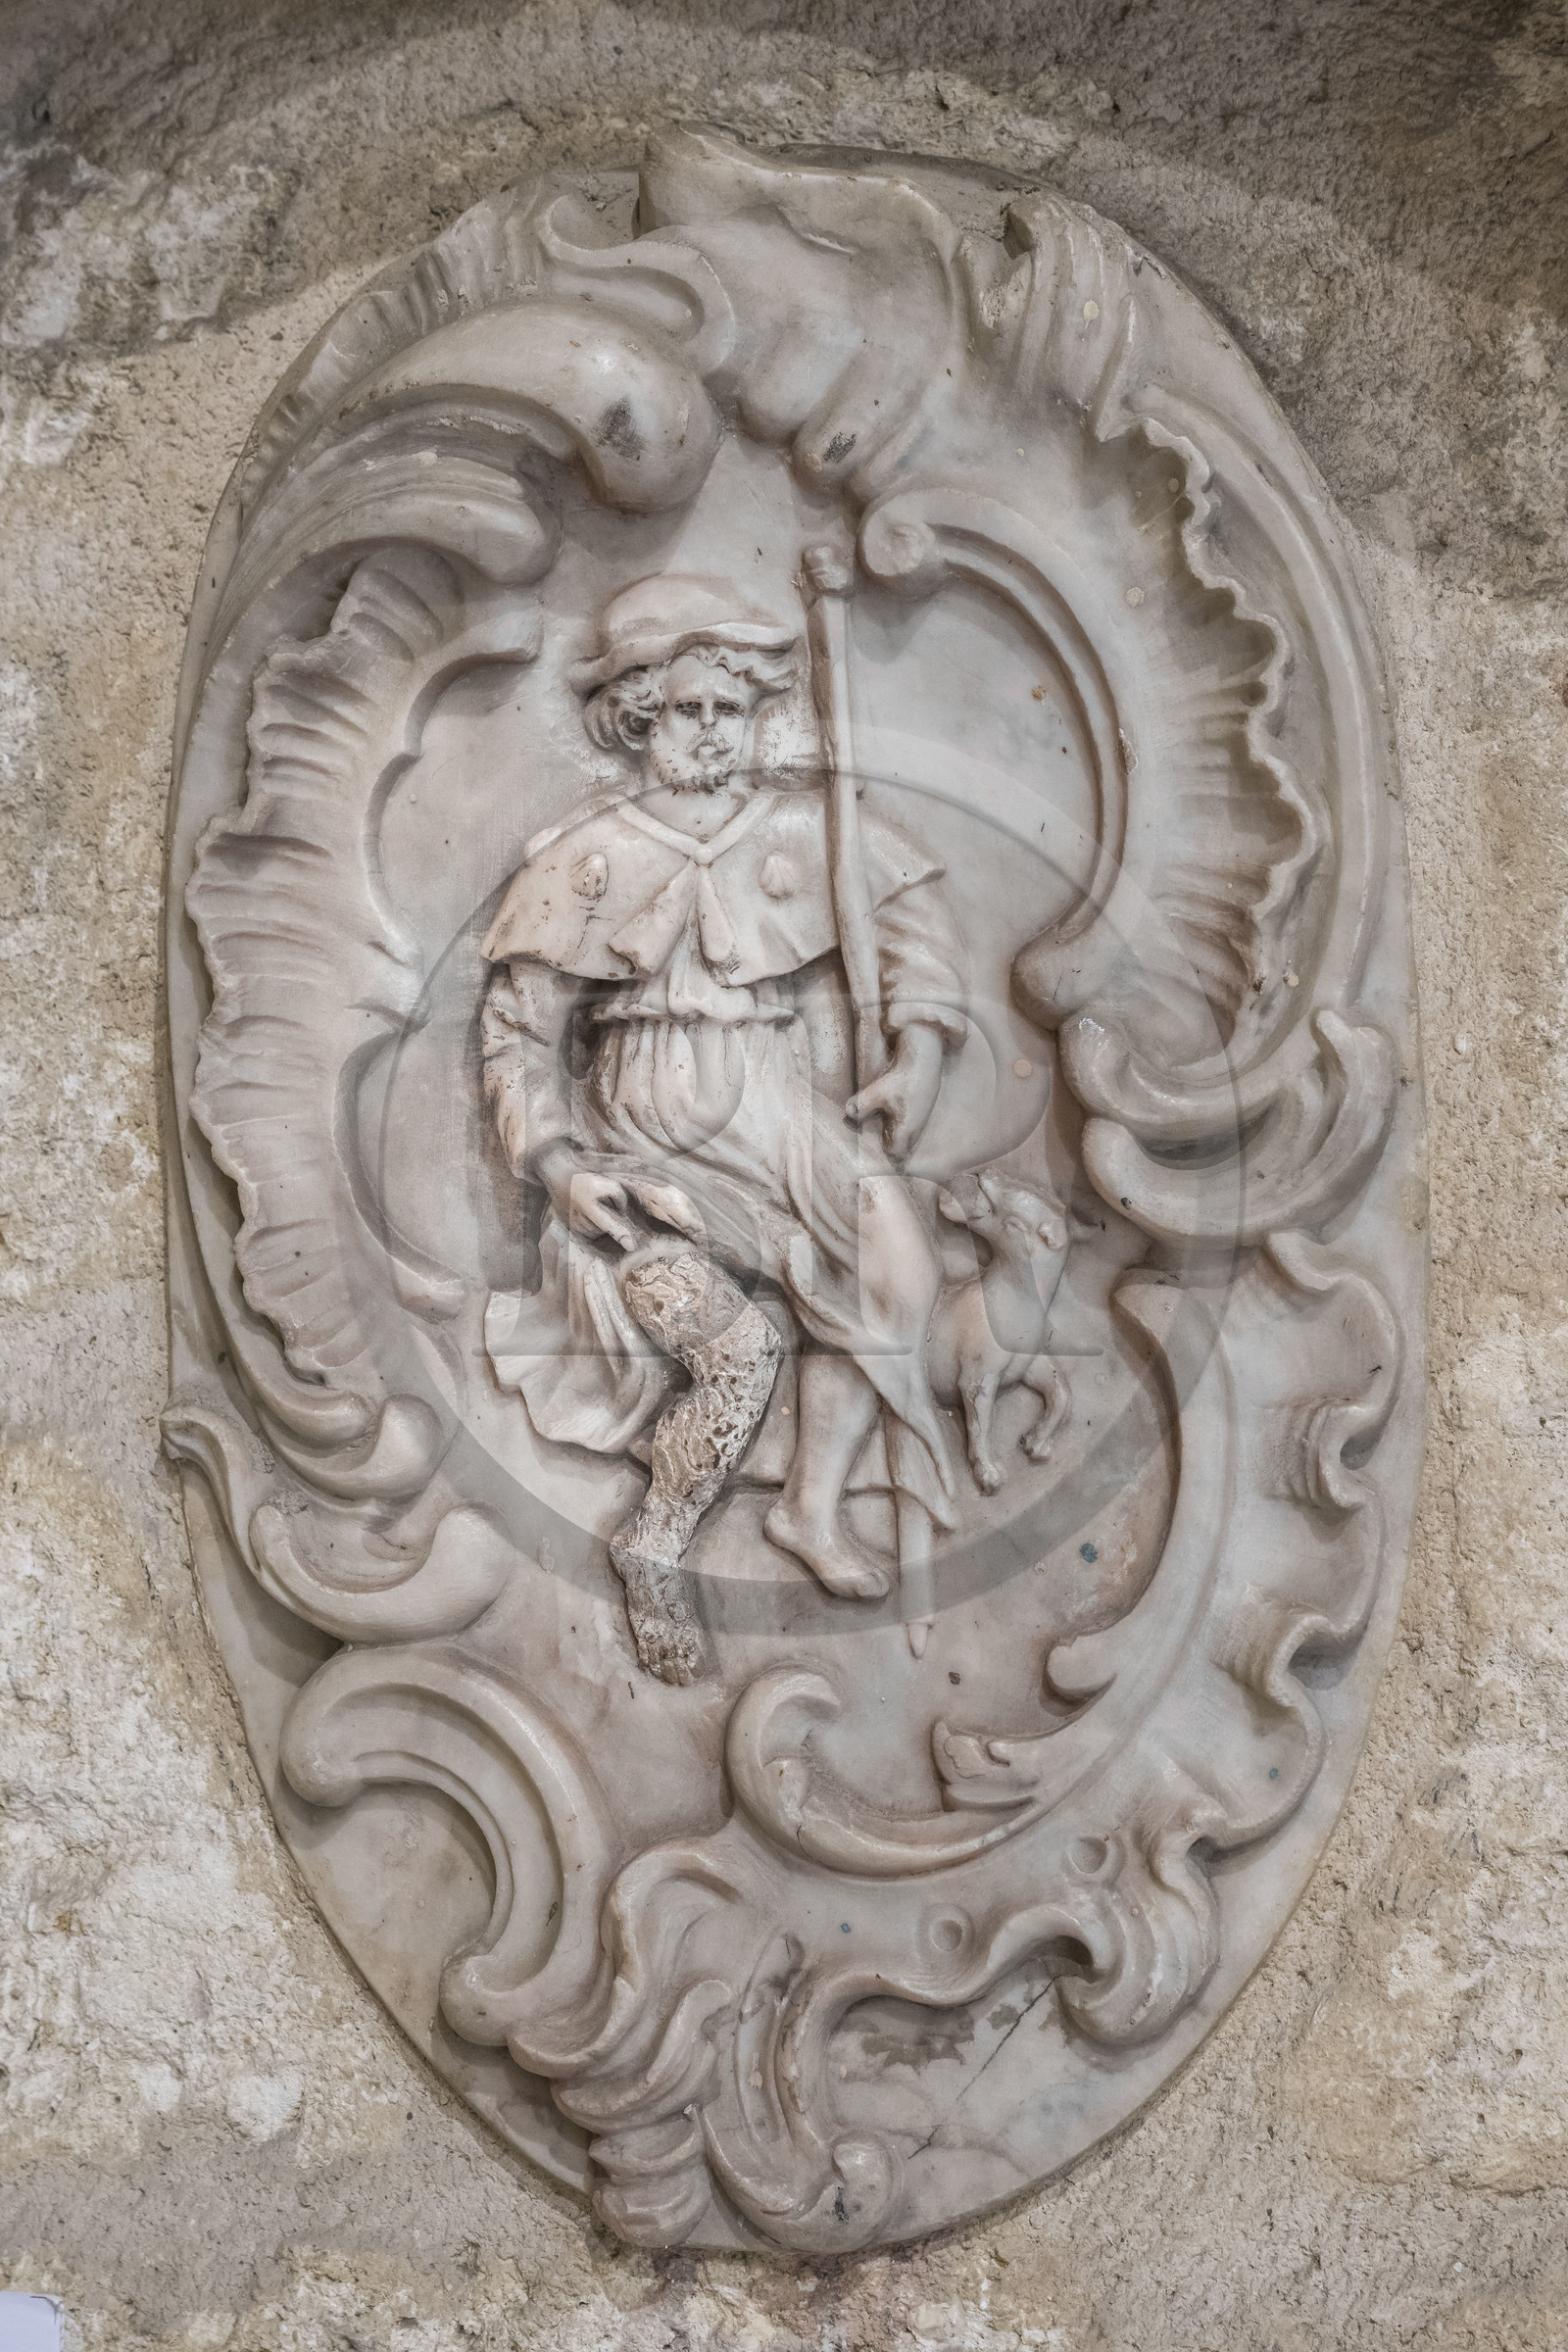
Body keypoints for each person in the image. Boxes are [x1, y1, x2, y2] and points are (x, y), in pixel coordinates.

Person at [479, 571, 967, 1681]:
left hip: (780, 1109)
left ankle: (810, 1506)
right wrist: (553, 1166)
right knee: (740, 1351)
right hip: (643, 1137)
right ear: (640, 714)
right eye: (689, 709)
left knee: (896, 1267)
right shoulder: (589, 855)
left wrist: (921, 1050)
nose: (713, 731)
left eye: (732, 708)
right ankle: (656, 1544)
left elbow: (911, 926)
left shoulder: (806, 827)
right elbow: (517, 1032)